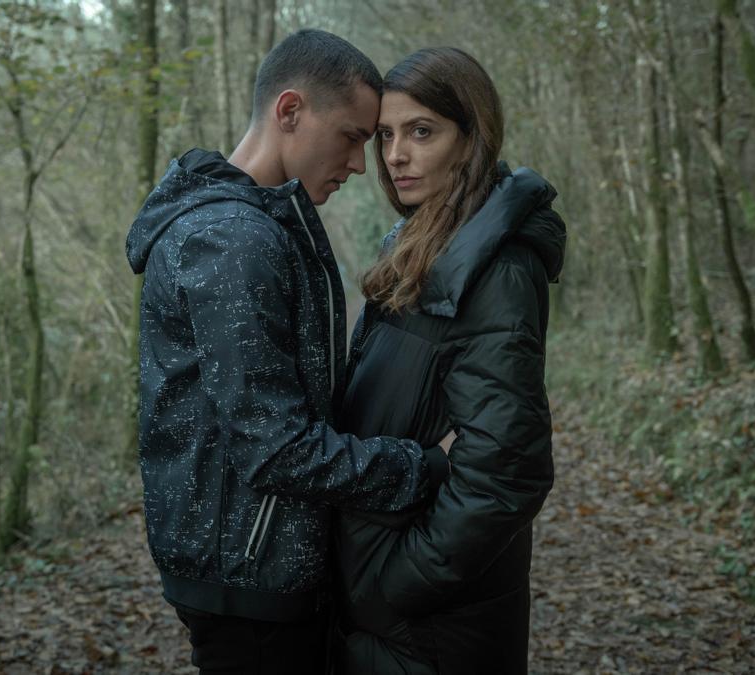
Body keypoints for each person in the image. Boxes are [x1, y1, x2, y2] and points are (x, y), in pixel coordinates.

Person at [124, 30, 450, 674]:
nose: (364, 165)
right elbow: (277, 448)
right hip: (250, 580)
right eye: (355, 136)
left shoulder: (254, 224)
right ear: (291, 111)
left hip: (254, 568)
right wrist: (424, 468)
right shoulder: (233, 240)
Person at [332, 47, 566, 674]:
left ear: (472, 138)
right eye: (385, 135)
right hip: (390, 612)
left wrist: (392, 587)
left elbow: (506, 473)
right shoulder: (421, 246)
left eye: (422, 131)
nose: (396, 155)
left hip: (431, 628)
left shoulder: (497, 268)